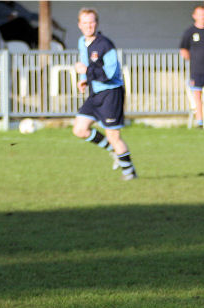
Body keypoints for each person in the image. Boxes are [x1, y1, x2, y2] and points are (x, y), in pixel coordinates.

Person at [72, 8, 137, 181]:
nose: (88, 26)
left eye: (91, 22)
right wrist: (83, 79)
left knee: (113, 136)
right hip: (95, 93)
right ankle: (115, 153)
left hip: (111, 93)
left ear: (97, 23)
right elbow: (86, 64)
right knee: (79, 129)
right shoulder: (81, 42)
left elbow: (109, 74)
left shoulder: (106, 45)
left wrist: (86, 70)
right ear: (79, 25)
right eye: (85, 23)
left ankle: (130, 173)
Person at [0, 1, 65, 49]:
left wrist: (47, 18)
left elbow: (29, 15)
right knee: (21, 21)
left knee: (40, 30)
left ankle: (58, 44)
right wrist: (7, 19)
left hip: (24, 32)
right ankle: (38, 44)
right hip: (9, 33)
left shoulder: (16, 5)